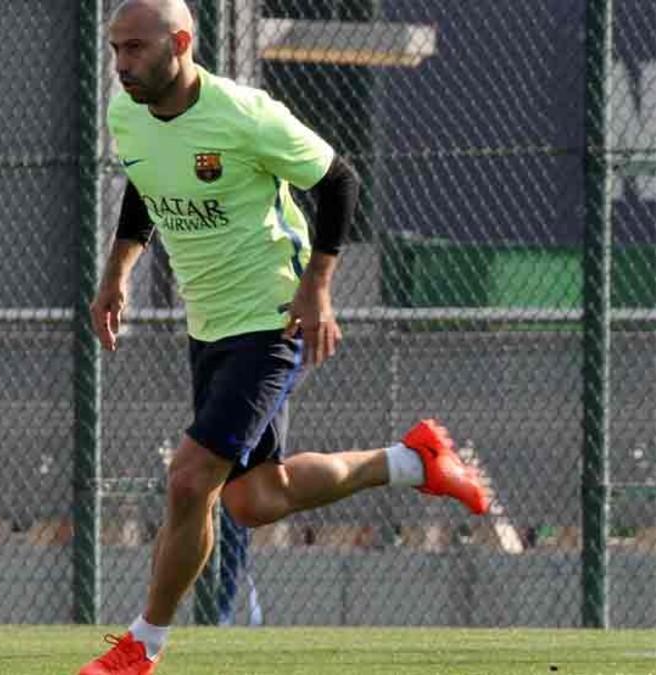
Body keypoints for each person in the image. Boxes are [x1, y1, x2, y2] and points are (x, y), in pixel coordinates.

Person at [78, 2, 489, 673]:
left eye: (135, 49)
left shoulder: (244, 115)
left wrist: (317, 285)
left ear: (181, 43)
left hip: (272, 319)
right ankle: (415, 460)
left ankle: (141, 645)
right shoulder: (127, 113)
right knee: (254, 497)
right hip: (208, 325)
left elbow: (340, 181)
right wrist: (116, 273)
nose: (121, 64)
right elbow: (145, 185)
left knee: (189, 482)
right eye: (115, 49)